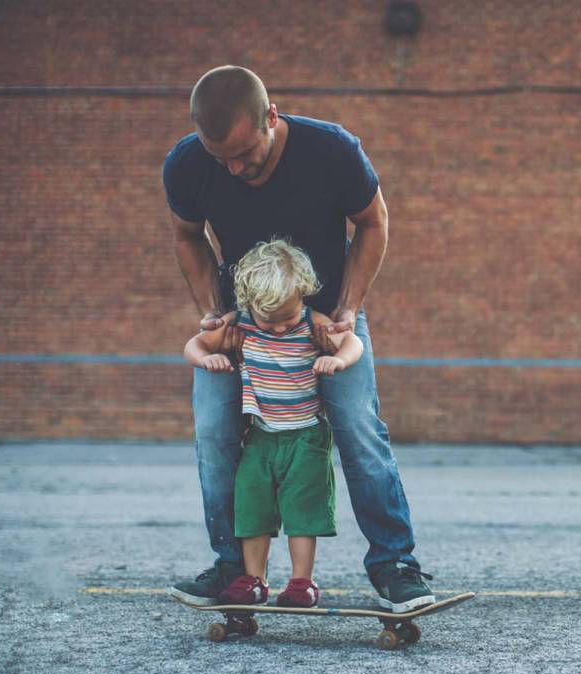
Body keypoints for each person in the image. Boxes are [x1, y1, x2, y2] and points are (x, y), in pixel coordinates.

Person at [163, 65, 434, 612]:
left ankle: (395, 565)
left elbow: (375, 222)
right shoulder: (188, 165)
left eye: (247, 154)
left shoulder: (331, 151)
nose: (235, 169)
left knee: (358, 427)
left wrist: (346, 311)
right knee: (215, 429)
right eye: (223, 160)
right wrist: (214, 315)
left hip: (328, 316)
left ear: (271, 116)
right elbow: (187, 237)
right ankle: (233, 569)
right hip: (243, 320)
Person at [184, 239, 361, 607]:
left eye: (288, 318)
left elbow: (353, 343)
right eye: (270, 320)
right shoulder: (242, 323)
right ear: (250, 305)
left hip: (306, 438)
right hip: (261, 438)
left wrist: (339, 360)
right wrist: (206, 360)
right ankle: (253, 580)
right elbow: (194, 345)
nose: (280, 328)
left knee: (303, 510)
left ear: (303, 299)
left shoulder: (313, 322)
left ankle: (301, 582)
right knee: (252, 508)